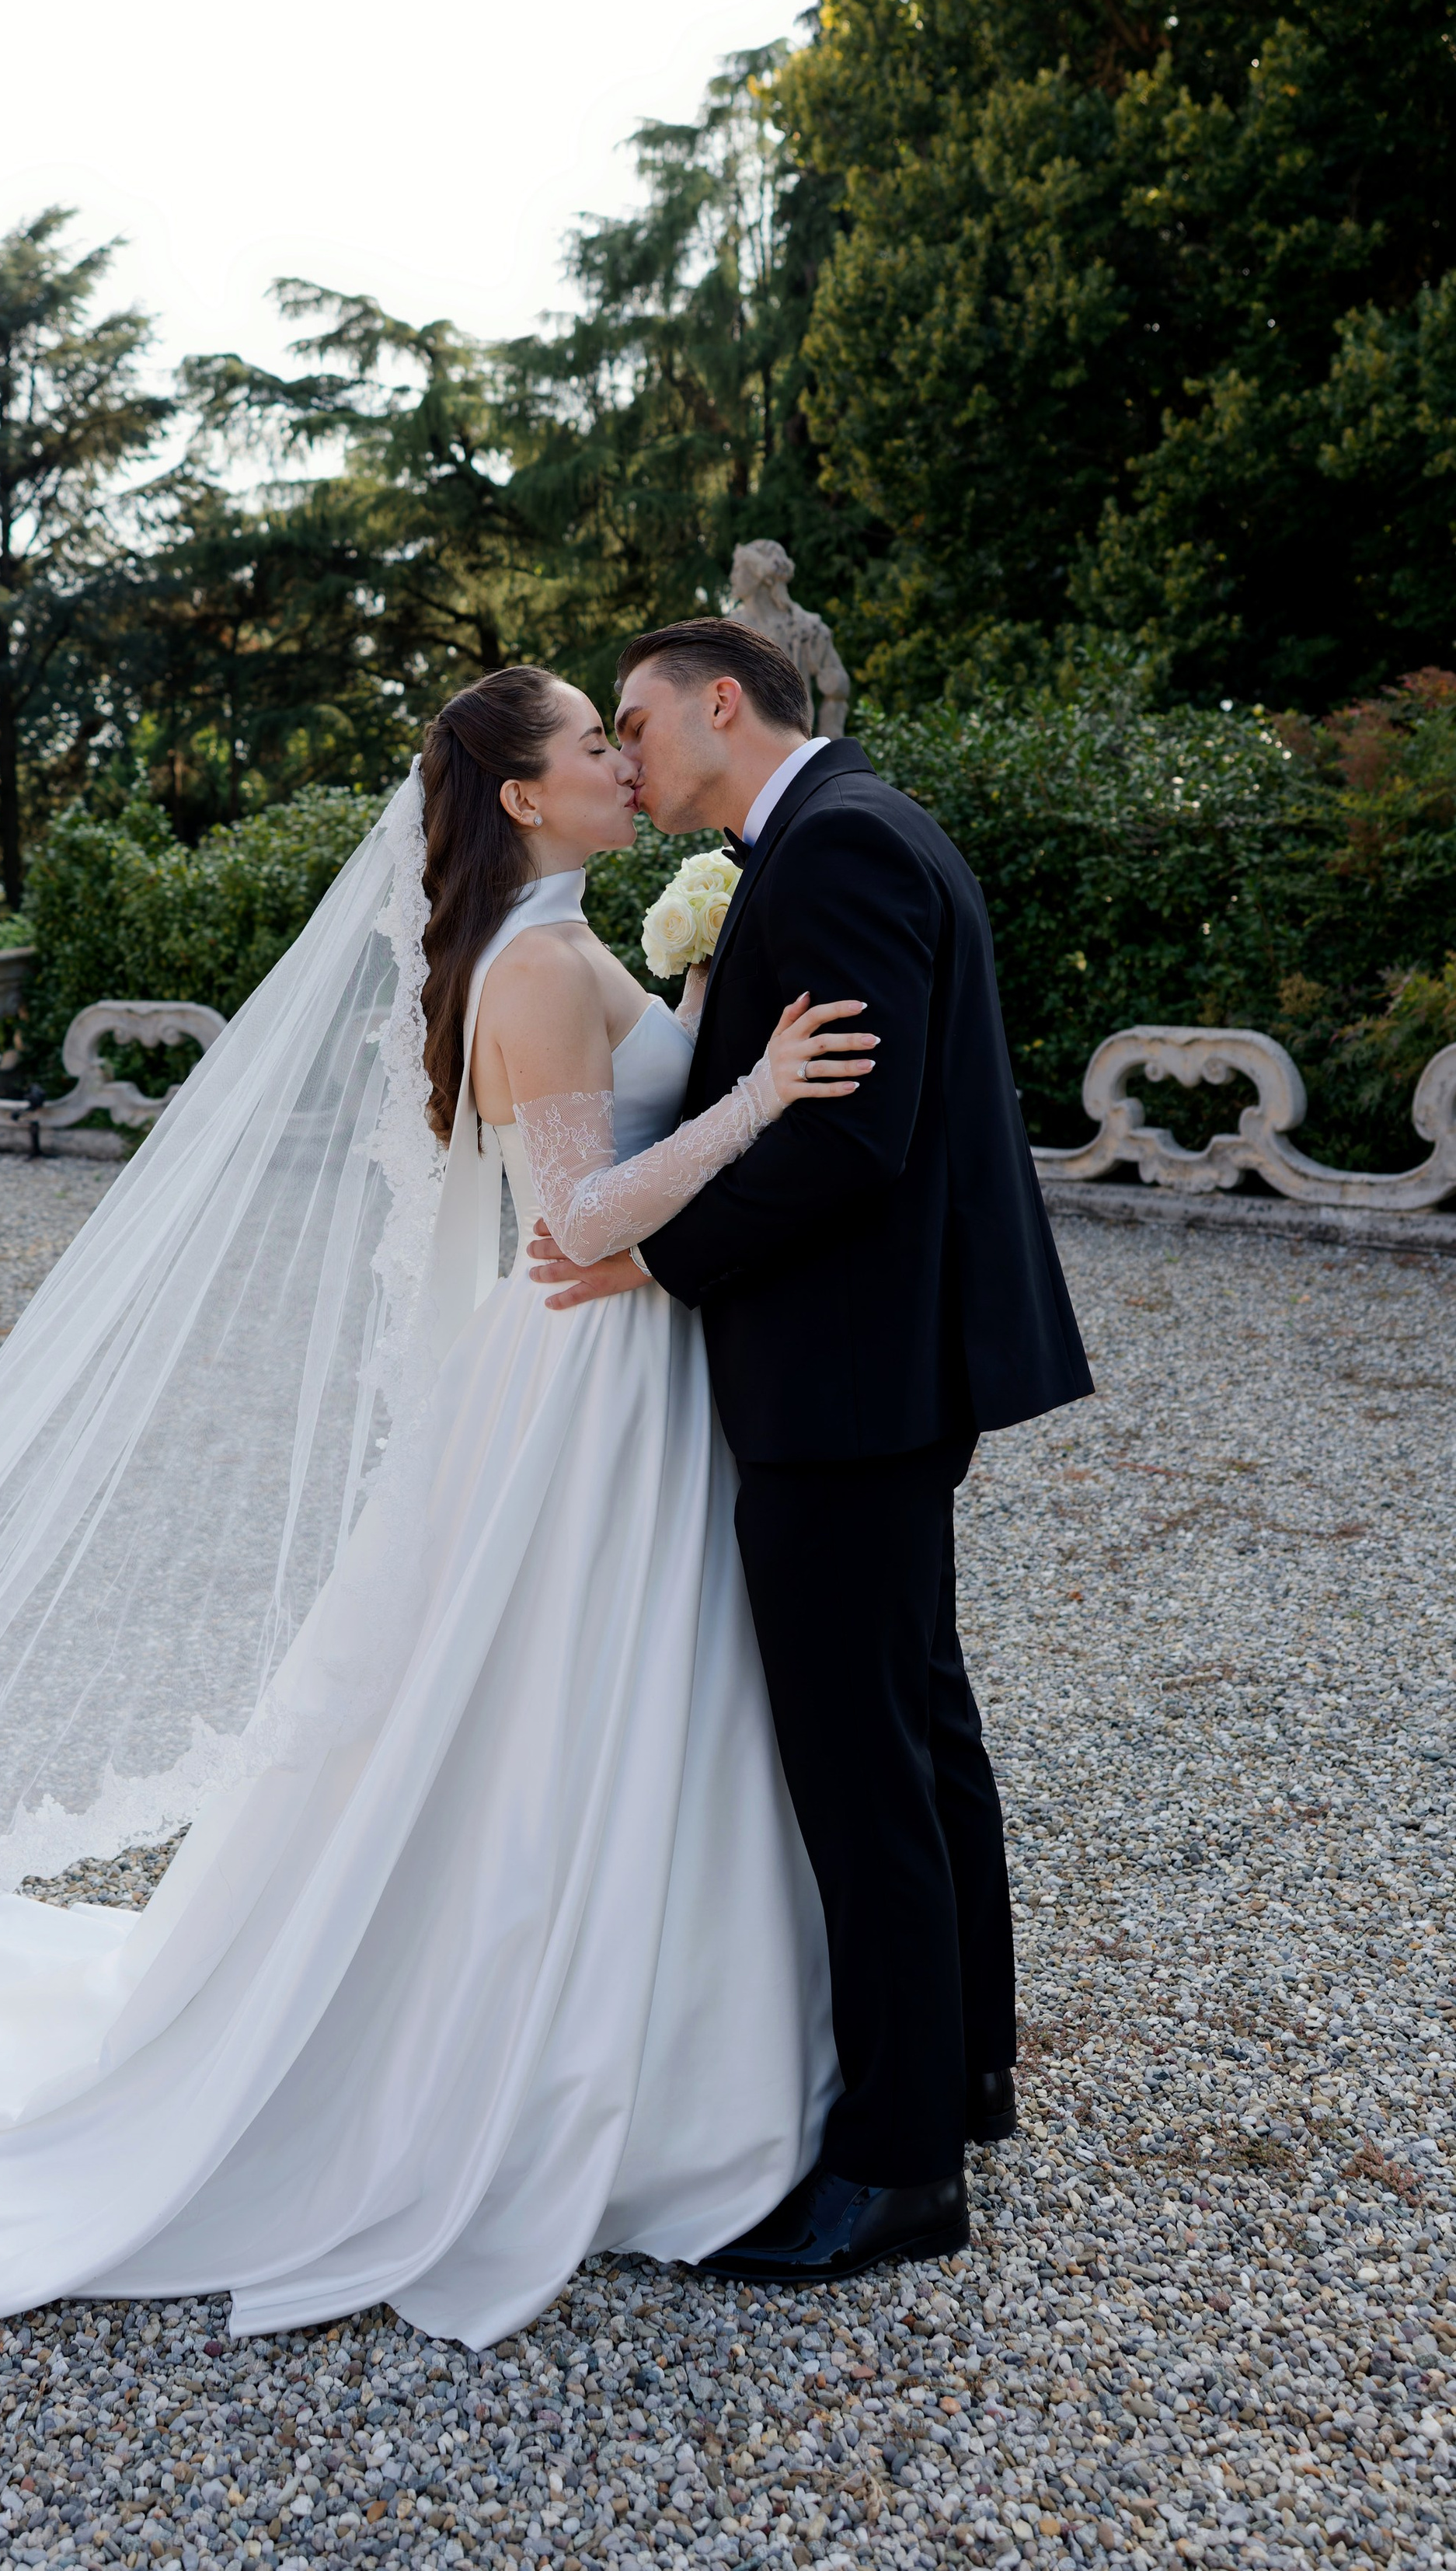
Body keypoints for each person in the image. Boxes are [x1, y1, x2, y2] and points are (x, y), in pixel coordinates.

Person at [0, 668, 876, 2369]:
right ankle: (574, 2055)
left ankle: (679, 2035)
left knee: (629, 1704)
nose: (620, 763)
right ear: (519, 796)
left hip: (628, 1377)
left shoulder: (577, 943)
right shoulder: (526, 972)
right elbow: (573, 1215)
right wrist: (758, 1094)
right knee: (563, 1706)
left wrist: (712, 993)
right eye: (592, 745)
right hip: (586, 1372)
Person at [530, 619, 1093, 2284]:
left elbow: (849, 1141)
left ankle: (897, 2169)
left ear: (722, 700)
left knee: (859, 1766)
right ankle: (960, 2073)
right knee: (914, 1725)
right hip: (879, 1368)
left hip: (840, 1377)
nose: (623, 756)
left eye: (634, 722)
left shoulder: (835, 848)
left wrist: (649, 1262)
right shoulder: (849, 826)